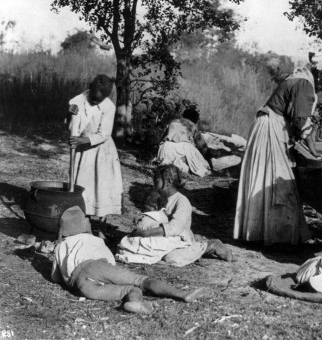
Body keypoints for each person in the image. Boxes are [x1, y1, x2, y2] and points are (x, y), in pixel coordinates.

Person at [233, 52, 322, 245]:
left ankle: (261, 232)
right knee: (277, 183)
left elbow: (301, 120)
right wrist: (314, 153)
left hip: (267, 126)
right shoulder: (304, 84)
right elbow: (301, 121)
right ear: (320, 73)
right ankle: (277, 237)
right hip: (270, 129)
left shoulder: (300, 80)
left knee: (266, 179)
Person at [51, 206, 205, 314]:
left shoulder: (61, 246)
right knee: (140, 281)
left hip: (80, 285)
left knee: (128, 290)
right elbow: (109, 261)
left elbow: (55, 277)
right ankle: (181, 294)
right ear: (84, 226)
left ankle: (136, 302)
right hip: (96, 266)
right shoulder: (93, 240)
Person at [116, 164, 233, 266]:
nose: (153, 184)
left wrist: (145, 233)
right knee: (127, 245)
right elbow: (154, 216)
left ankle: (209, 246)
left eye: (156, 181)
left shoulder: (182, 201)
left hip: (180, 237)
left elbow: (175, 228)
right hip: (162, 235)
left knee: (172, 258)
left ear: (168, 182)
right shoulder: (158, 197)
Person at [67, 74, 123, 234]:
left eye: (98, 100)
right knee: (83, 186)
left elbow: (103, 134)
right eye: (93, 98)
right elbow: (71, 125)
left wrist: (82, 140)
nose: (94, 101)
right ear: (90, 88)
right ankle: (83, 225)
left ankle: (100, 227)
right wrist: (68, 113)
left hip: (101, 152)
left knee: (101, 187)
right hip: (82, 151)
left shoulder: (108, 107)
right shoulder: (78, 100)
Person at [155, 109, 213, 177]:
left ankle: (175, 163)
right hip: (183, 149)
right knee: (200, 162)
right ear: (195, 119)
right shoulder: (193, 126)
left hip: (166, 148)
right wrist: (209, 161)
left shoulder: (173, 122)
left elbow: (162, 139)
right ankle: (181, 163)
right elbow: (202, 147)